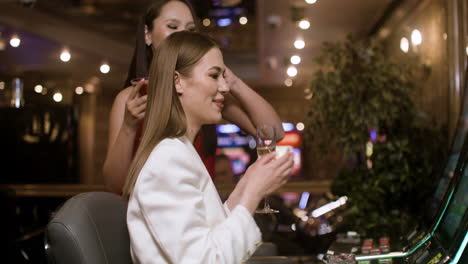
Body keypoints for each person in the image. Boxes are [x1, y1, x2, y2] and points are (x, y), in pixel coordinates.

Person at [124, 31, 294, 264]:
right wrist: (253, 193)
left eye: (224, 77)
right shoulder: (168, 158)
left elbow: (210, 233)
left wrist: (244, 188)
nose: (224, 87)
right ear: (177, 81)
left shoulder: (181, 150)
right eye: (214, 76)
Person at [103, 0, 284, 194]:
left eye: (190, 30)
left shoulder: (209, 93)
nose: (182, 35)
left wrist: (232, 82)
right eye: (172, 26)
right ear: (147, 34)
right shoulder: (131, 99)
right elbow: (115, 185)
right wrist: (129, 127)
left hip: (202, 210)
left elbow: (273, 133)